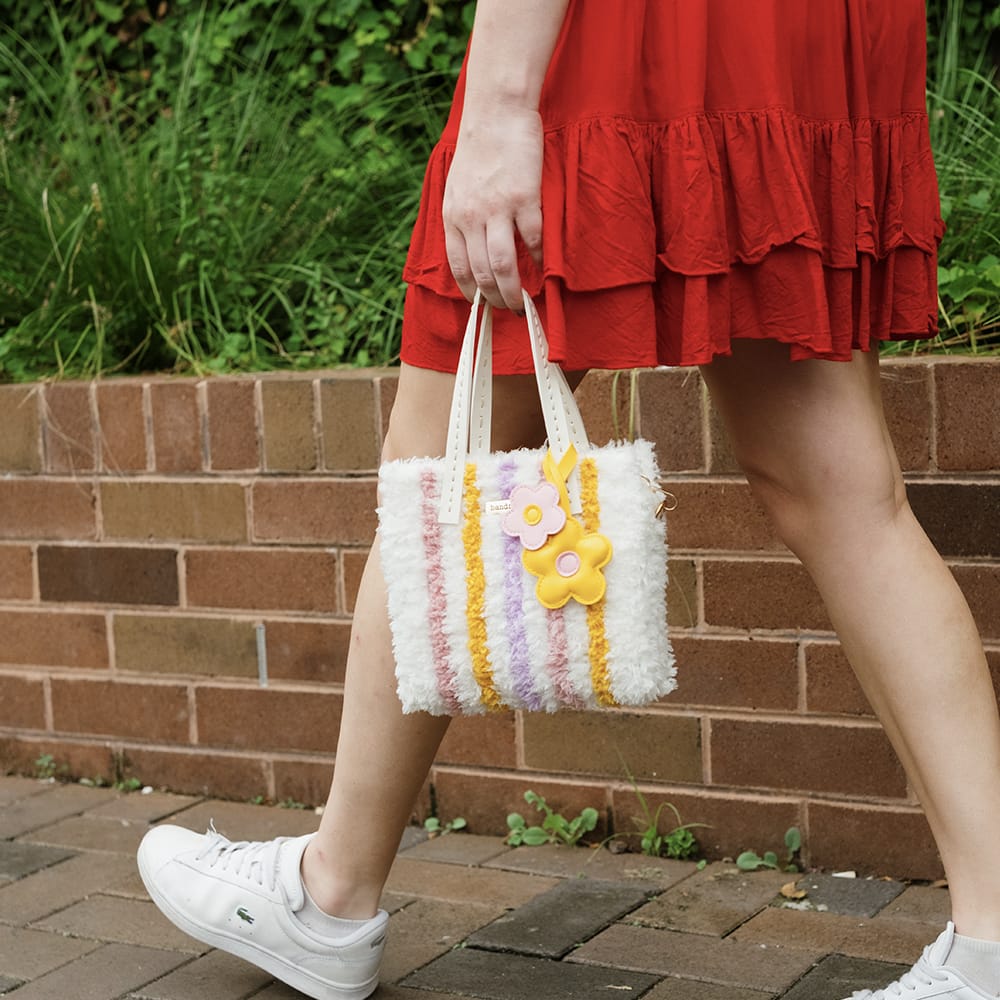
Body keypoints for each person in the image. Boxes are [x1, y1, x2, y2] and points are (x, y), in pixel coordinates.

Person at [137, 3, 1000, 999]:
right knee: (845, 493)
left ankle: (327, 895)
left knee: (438, 466)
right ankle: (993, 943)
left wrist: (503, 99)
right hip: (802, 36)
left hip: (622, 41)